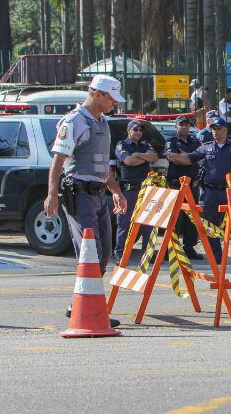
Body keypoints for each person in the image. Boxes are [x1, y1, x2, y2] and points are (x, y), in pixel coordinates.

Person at [44, 74, 127, 328]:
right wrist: (51, 195)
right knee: (90, 252)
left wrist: (115, 190)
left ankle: (83, 304)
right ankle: (89, 311)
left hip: (99, 193)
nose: (115, 104)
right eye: (112, 99)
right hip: (79, 193)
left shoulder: (102, 121)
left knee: (103, 252)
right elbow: (58, 160)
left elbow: (102, 166)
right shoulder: (75, 121)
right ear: (97, 94)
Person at [167, 116, 231, 265]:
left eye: (219, 129)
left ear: (225, 130)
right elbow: (190, 158)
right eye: (213, 129)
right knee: (211, 226)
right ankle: (216, 258)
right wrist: (174, 158)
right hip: (210, 192)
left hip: (229, 192)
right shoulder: (207, 147)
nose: (216, 132)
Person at [112, 120, 159, 262]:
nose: (138, 132)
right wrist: (144, 157)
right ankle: (120, 254)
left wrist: (138, 154)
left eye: (140, 130)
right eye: (135, 129)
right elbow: (128, 161)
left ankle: (148, 254)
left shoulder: (146, 145)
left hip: (146, 190)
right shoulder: (122, 145)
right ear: (129, 131)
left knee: (148, 224)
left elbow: (154, 158)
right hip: (129, 190)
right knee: (124, 224)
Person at [164, 115, 203, 260]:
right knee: (175, 218)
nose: (184, 127)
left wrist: (184, 156)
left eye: (187, 124)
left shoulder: (195, 141)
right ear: (176, 127)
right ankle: (172, 248)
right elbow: (172, 158)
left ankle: (189, 247)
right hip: (176, 186)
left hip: (192, 185)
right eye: (181, 124)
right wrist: (191, 158)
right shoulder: (171, 141)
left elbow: (202, 156)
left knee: (192, 218)